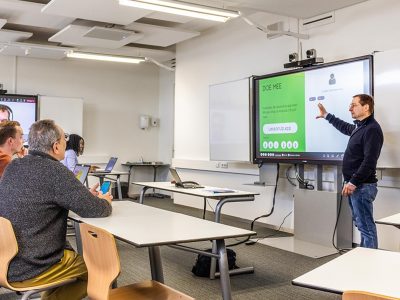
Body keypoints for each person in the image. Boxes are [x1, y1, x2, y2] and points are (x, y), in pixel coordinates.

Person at [0, 119, 113, 300]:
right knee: (98, 269)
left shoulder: (14, 166)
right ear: (56, 146)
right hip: (33, 265)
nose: (66, 144)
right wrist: (104, 200)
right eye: (64, 140)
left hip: (5, 260)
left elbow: (42, 197)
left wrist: (83, 195)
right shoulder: (55, 171)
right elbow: (97, 210)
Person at [316, 94, 384, 249]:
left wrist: (353, 182)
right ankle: (365, 259)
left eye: (354, 105)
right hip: (357, 186)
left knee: (366, 228)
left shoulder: (372, 129)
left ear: (366, 107)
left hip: (362, 186)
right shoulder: (361, 127)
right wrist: (326, 115)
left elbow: (369, 161)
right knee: (362, 226)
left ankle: (370, 265)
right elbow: (345, 127)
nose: (349, 108)